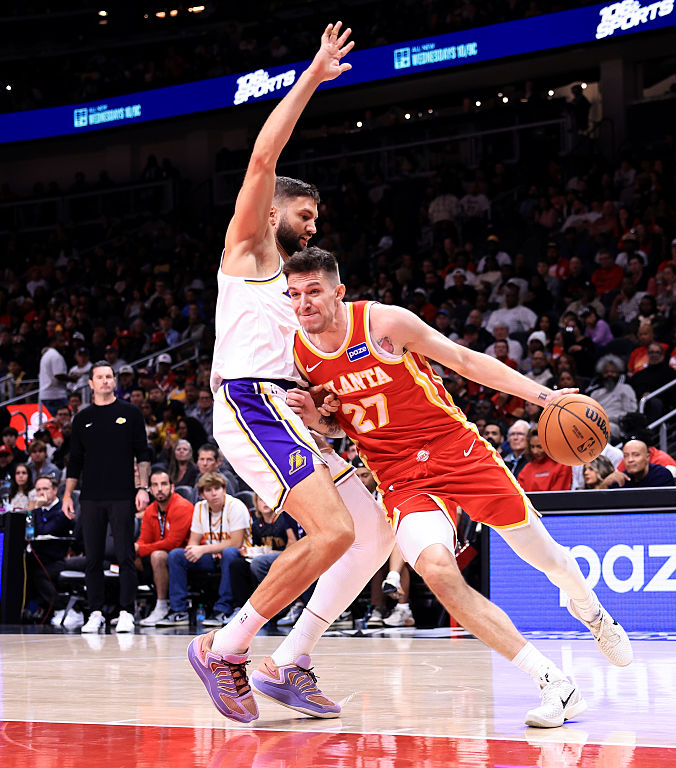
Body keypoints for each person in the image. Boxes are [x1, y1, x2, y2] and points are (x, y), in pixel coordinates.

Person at [284, 245, 632, 728]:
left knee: (547, 558)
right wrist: (319, 424)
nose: (304, 304)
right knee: (440, 574)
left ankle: (592, 612)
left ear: (338, 292)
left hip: (455, 450)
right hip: (399, 477)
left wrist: (547, 398)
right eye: (294, 294)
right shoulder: (299, 352)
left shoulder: (384, 324)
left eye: (314, 292)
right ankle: (554, 682)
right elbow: (347, 425)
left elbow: (465, 360)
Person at [192, 24, 395, 726]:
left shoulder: (297, 286)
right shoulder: (248, 246)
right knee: (334, 533)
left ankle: (289, 660)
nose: (310, 227)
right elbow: (262, 156)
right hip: (249, 401)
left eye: (315, 219)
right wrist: (312, 74)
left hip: (284, 406)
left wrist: (327, 408)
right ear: (273, 208)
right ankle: (226, 648)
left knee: (374, 533)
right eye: (303, 215)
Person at [63, 363, 152, 635]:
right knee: (93, 558)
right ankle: (96, 612)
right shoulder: (82, 418)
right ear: (90, 383)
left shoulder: (130, 413)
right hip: (90, 497)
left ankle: (126, 611)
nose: (105, 381)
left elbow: (143, 453)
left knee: (125, 555)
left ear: (115, 381)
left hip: (123, 494)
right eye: (99, 377)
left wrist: (143, 488)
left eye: (109, 377)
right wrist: (68, 494)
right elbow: (75, 460)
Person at [151, 471, 251, 627]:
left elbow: (236, 543)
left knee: (229, 553)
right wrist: (195, 550)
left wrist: (203, 550)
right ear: (202, 494)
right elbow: (193, 543)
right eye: (209, 490)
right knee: (177, 555)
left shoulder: (235, 506)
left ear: (224, 490)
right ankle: (179, 611)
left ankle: (222, 609)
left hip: (239, 557)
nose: (214, 493)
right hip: (212, 556)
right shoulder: (199, 507)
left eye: (217, 488)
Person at [133, 471, 193, 624]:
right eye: (155, 485)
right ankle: (125, 610)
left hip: (187, 555)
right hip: (163, 554)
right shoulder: (150, 510)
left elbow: (174, 543)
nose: (159, 489)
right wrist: (136, 551)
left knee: (157, 555)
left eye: (164, 484)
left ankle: (162, 605)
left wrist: (141, 550)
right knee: (130, 556)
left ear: (172, 487)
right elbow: (143, 540)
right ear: (150, 490)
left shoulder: (182, 506)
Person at [24, 475, 74, 620]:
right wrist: (32, 512)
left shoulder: (63, 510)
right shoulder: (37, 510)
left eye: (45, 489)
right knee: (23, 571)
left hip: (57, 558)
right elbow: (29, 532)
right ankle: (31, 609)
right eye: (38, 490)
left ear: (55, 490)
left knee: (39, 574)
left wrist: (37, 510)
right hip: (37, 557)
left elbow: (46, 531)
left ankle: (62, 609)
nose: (41, 493)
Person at [600, 440, 676, 488]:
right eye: (626, 456)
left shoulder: (661, 475)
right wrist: (605, 484)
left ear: (647, 457)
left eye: (636, 455)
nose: (630, 460)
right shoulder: (622, 479)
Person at [518, 428, 572, 492]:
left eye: (539, 447)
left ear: (549, 445)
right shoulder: (526, 469)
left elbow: (558, 497)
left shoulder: (562, 466)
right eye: (532, 446)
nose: (535, 451)